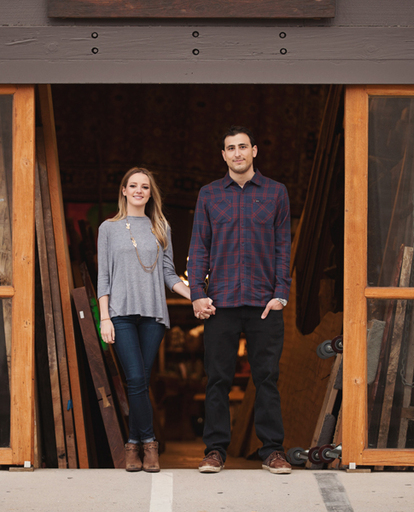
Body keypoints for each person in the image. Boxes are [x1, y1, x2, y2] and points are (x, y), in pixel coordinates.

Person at [187, 126, 292, 474]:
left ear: (254, 151)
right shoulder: (209, 195)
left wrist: (281, 295)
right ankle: (215, 451)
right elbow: (198, 247)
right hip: (221, 304)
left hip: (264, 304)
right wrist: (198, 296)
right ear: (223, 155)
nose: (237, 153)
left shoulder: (276, 193)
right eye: (230, 148)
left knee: (266, 378)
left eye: (243, 147)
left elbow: (282, 247)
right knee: (217, 378)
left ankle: (272, 451)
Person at [97, 167, 214, 472]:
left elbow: (168, 274)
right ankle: (150, 444)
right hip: (120, 315)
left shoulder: (160, 226)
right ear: (123, 190)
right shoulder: (108, 229)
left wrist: (195, 295)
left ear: (150, 193)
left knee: (141, 382)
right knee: (135, 379)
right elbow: (103, 277)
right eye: (133, 185)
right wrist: (104, 318)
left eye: (144, 187)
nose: (139, 190)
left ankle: (132, 446)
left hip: (153, 317)